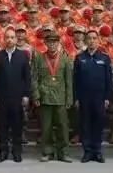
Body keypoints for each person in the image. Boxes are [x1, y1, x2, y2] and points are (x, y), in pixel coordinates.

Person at [0, 29, 31, 163]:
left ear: (16, 39)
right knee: (3, 126)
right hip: (2, 97)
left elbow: (27, 77)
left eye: (12, 37)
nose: (9, 40)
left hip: (17, 97)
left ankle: (16, 152)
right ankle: (3, 152)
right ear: (4, 39)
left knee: (17, 126)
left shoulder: (23, 55)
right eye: (7, 37)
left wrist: (26, 94)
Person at [31, 31, 73, 163]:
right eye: (49, 42)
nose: (52, 44)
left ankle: (63, 152)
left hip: (60, 98)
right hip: (45, 98)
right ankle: (47, 152)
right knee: (46, 127)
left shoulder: (65, 59)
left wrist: (69, 98)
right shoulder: (39, 58)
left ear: (58, 43)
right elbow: (34, 78)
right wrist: (36, 95)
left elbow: (69, 80)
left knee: (63, 127)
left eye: (54, 42)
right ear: (46, 43)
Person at [74, 28, 113, 163]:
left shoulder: (104, 58)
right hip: (84, 98)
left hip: (99, 98)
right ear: (86, 40)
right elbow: (75, 79)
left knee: (98, 124)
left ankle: (97, 151)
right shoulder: (80, 58)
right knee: (85, 124)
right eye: (89, 38)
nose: (92, 41)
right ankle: (87, 151)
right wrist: (76, 97)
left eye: (94, 38)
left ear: (98, 40)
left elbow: (109, 79)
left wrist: (107, 97)